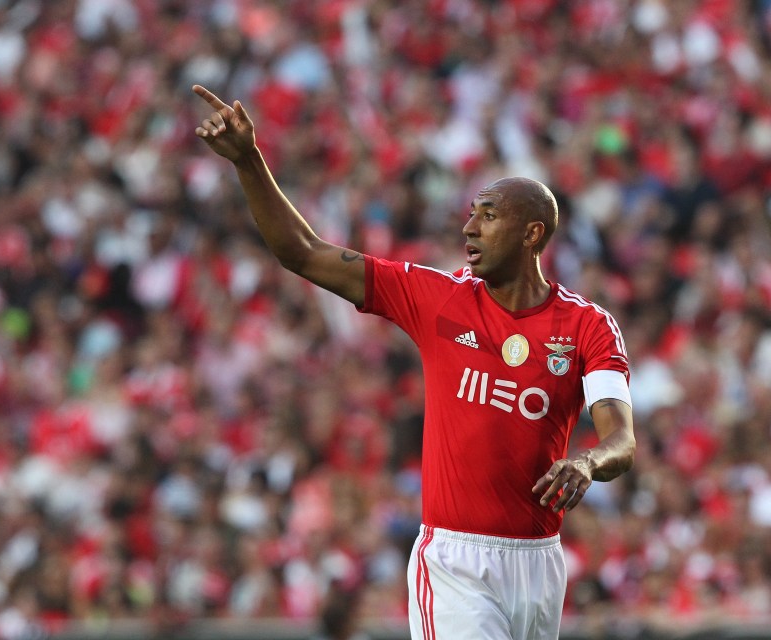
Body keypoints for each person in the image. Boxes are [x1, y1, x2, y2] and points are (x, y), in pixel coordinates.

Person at [192, 84, 635, 640]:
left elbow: (622, 440)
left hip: (539, 564)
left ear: (532, 233)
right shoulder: (435, 297)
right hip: (453, 561)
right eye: (471, 214)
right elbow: (301, 252)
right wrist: (250, 161)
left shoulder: (587, 325)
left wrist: (589, 462)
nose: (469, 228)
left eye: (489, 216)